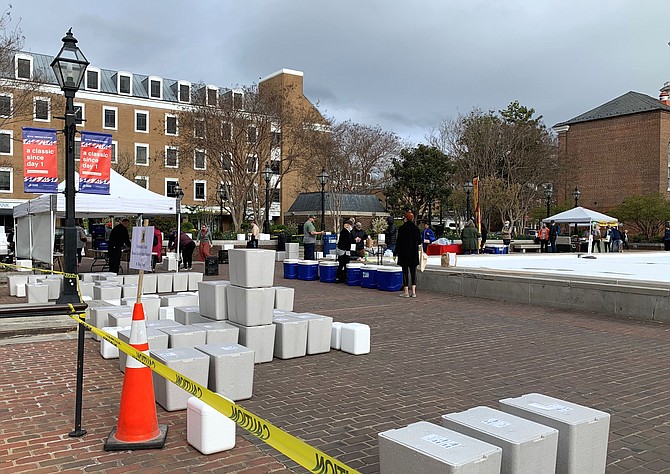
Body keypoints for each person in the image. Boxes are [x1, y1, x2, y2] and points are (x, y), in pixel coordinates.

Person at [394, 211, 421, 298]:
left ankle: (406, 292)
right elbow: (419, 242)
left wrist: (395, 253)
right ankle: (413, 292)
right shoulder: (416, 229)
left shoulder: (402, 229)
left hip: (404, 253)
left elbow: (398, 243)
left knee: (405, 272)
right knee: (413, 272)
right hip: (413, 253)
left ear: (405, 218)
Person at [335, 218, 355, 283]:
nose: (351, 227)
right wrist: (354, 241)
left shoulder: (346, 231)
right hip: (343, 251)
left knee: (342, 264)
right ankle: (341, 277)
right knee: (343, 264)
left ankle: (340, 277)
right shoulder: (345, 232)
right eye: (351, 226)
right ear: (348, 225)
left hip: (344, 250)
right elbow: (348, 241)